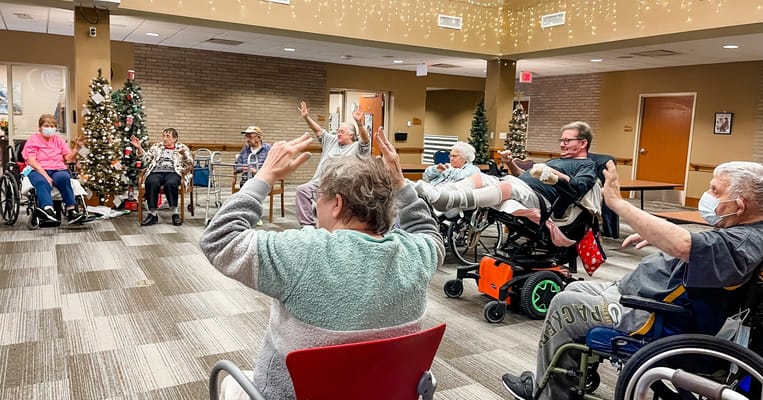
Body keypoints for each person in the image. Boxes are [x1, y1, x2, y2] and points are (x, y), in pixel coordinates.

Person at [199, 129, 444, 400]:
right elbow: (428, 232)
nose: (315, 204)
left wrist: (264, 176)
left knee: (229, 384)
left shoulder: (302, 252)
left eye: (320, 196)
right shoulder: (417, 254)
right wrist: (399, 181)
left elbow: (219, 239)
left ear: (337, 204)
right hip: (380, 394)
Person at [502, 160, 763, 400]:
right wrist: (659, 235)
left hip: (651, 315)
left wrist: (617, 203)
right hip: (642, 297)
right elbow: (699, 243)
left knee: (564, 302)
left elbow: (686, 245)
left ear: (739, 205)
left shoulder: (743, 243)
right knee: (578, 287)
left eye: (715, 190)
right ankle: (568, 375)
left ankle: (548, 395)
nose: (707, 195)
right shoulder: (747, 230)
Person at [416, 121, 597, 216]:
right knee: (481, 179)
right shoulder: (555, 160)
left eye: (567, 141)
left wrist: (554, 174)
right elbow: (522, 175)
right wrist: (510, 163)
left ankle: (448, 201)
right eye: (562, 140)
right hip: (520, 184)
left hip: (542, 199)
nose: (563, 144)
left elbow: (578, 188)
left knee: (505, 188)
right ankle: (438, 196)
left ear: (583, 143)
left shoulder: (587, 165)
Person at [295, 101, 371, 226]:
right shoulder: (331, 140)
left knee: (335, 205)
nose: (338, 133)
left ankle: (332, 225)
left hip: (341, 187)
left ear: (351, 135)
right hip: (319, 183)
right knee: (302, 190)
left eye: (342, 131)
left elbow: (366, 140)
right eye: (338, 131)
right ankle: (307, 226)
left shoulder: (358, 148)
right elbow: (318, 130)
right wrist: (306, 117)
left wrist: (359, 123)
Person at [22, 113, 86, 224]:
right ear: (40, 127)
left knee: (64, 178)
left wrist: (76, 149)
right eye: (46, 126)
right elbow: (32, 161)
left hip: (58, 169)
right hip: (38, 169)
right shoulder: (33, 139)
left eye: (52, 126)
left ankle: (71, 211)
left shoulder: (59, 140)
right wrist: (46, 176)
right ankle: (48, 211)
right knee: (42, 182)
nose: (49, 128)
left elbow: (68, 159)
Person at [130, 128, 194, 227]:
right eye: (163, 136)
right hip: (157, 171)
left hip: (174, 172)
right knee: (151, 181)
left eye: (168, 136)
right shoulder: (157, 146)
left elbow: (190, 164)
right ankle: (153, 215)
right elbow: (146, 159)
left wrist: (184, 159)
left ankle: (175, 213)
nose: (164, 139)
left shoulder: (182, 148)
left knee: (171, 183)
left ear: (175, 138)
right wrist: (139, 148)